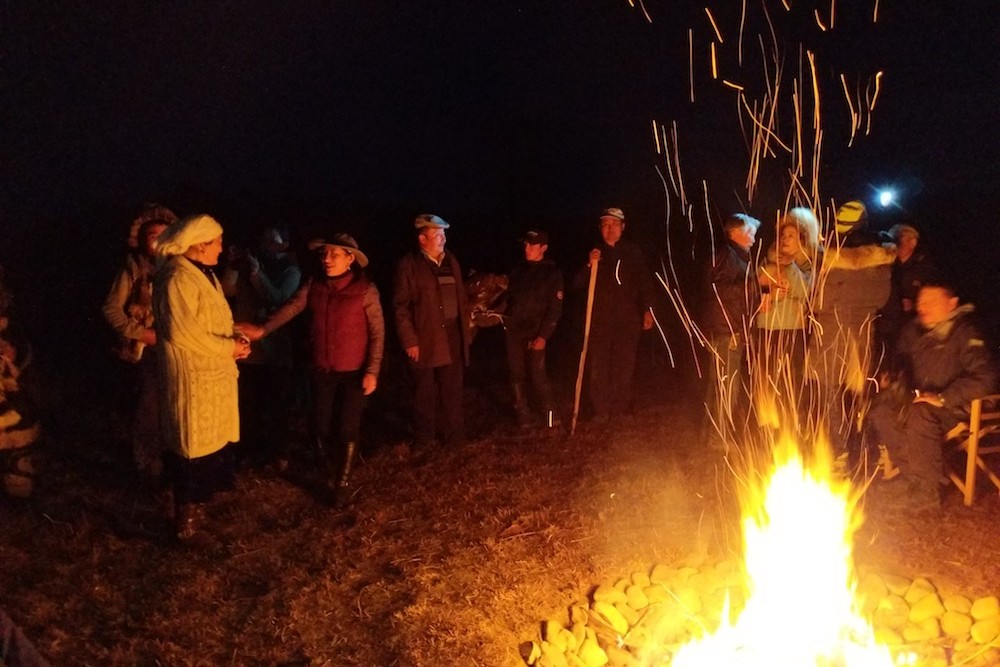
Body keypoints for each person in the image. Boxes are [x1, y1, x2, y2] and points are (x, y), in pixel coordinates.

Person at [242, 234, 384, 508]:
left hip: (354, 371)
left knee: (347, 427)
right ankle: (324, 457)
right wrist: (262, 329)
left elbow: (378, 334)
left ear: (349, 259)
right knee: (319, 424)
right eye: (324, 254)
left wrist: (373, 370)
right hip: (321, 369)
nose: (326, 259)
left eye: (333, 254)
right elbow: (291, 307)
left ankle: (341, 482)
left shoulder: (366, 290)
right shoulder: (314, 284)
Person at [153, 214, 251, 544]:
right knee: (190, 449)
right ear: (201, 244)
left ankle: (199, 512)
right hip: (192, 377)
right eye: (218, 242)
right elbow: (183, 333)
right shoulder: (177, 278)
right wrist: (228, 347)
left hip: (211, 374)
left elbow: (213, 318)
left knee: (206, 447)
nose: (222, 249)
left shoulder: (201, 274)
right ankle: (186, 523)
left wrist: (236, 339)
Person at [866, 281, 997, 510]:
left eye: (932, 302)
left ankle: (927, 491)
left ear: (952, 303)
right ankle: (912, 479)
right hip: (920, 400)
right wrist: (893, 377)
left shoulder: (966, 333)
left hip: (957, 406)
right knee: (881, 411)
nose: (924, 308)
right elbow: (900, 362)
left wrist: (943, 398)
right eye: (921, 302)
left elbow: (985, 377)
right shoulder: (913, 331)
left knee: (919, 413)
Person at [807, 200, 895, 461]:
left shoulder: (827, 258)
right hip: (863, 334)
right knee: (861, 393)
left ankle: (841, 450)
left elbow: (818, 301)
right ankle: (868, 446)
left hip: (832, 334)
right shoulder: (881, 259)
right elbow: (882, 300)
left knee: (831, 393)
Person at [102, 207, 174, 480]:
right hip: (145, 350)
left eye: (161, 234)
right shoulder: (133, 268)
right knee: (149, 405)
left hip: (177, 349)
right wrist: (141, 333)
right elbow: (111, 309)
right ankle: (147, 464)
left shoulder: (179, 267)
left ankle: (172, 459)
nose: (155, 240)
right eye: (151, 235)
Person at [222, 226, 301, 468]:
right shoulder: (249, 267)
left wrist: (256, 273)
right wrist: (233, 265)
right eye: (264, 239)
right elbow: (227, 290)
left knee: (276, 405)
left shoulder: (290, 270)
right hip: (247, 352)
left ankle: (280, 453)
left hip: (273, 351)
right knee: (248, 406)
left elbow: (276, 299)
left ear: (284, 244)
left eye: (272, 240)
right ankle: (249, 451)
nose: (266, 244)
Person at [393, 214, 472, 448]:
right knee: (423, 392)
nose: (443, 239)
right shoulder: (408, 265)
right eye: (437, 235)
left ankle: (454, 435)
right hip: (424, 337)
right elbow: (400, 306)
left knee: (452, 388)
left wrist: (467, 328)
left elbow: (461, 298)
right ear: (422, 239)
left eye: (444, 234)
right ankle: (424, 437)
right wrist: (409, 340)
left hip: (452, 336)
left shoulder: (451, 261)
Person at [576, 207, 656, 428]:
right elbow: (577, 284)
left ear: (623, 227)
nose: (609, 229)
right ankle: (601, 409)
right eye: (605, 224)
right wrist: (589, 265)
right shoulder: (596, 253)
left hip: (627, 320)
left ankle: (620, 406)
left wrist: (648, 309)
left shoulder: (632, 252)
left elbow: (644, 283)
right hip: (600, 320)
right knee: (599, 366)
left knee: (624, 365)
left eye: (614, 224)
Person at [699, 212, 761, 440]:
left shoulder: (736, 257)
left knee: (719, 384)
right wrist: (756, 282)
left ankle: (711, 434)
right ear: (736, 233)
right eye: (751, 233)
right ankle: (718, 438)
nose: (754, 238)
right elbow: (719, 290)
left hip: (729, 328)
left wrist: (756, 302)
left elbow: (737, 293)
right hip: (727, 330)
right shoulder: (727, 256)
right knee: (727, 386)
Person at [753, 209, 816, 428]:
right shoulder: (767, 261)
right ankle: (768, 428)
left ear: (802, 240)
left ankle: (791, 427)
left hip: (791, 332)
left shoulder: (807, 264)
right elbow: (755, 286)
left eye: (791, 236)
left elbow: (806, 291)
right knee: (766, 381)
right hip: (767, 330)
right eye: (783, 236)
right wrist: (767, 292)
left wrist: (789, 266)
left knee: (790, 382)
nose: (785, 239)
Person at [505, 229, 563, 429]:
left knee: (538, 375)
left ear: (543, 248)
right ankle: (523, 417)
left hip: (536, 332)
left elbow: (555, 309)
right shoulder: (517, 271)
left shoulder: (551, 274)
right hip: (514, 331)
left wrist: (543, 336)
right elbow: (508, 300)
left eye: (532, 245)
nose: (527, 248)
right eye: (526, 244)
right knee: (516, 374)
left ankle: (550, 417)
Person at [878, 223, 937, 352]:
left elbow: (934, 298)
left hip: (911, 326)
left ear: (913, 243)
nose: (895, 243)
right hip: (886, 324)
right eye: (892, 239)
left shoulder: (924, 268)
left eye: (899, 238)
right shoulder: (886, 264)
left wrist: (914, 304)